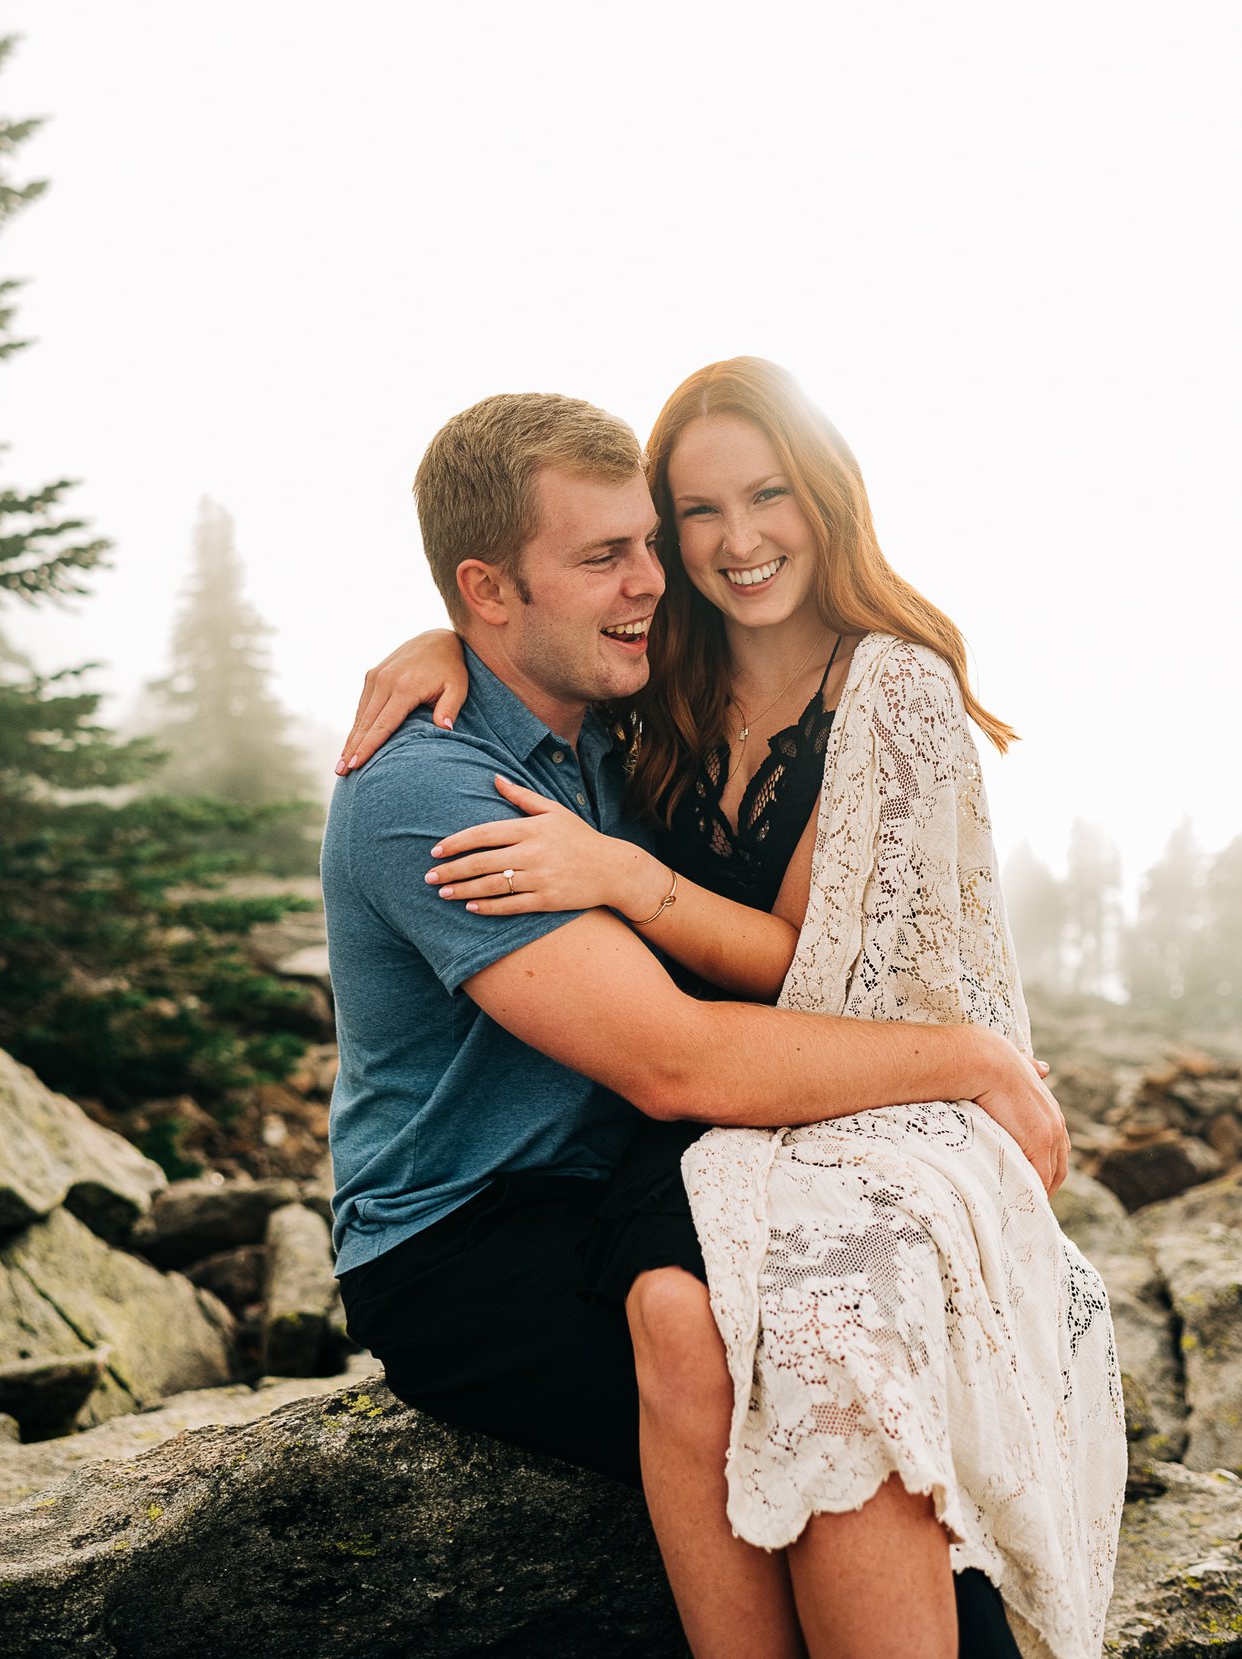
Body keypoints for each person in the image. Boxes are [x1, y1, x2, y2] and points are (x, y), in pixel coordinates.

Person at [317, 380, 1114, 1659]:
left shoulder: (597, 715)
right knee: (803, 1390)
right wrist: (970, 1059)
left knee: (848, 1393)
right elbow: (677, 1061)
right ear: (488, 590)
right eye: (606, 556)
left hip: (640, 1178)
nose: (653, 580)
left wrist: (451, 642)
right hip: (467, 1240)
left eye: (648, 544)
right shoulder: (433, 787)